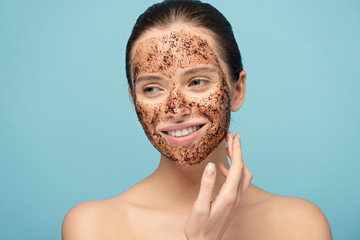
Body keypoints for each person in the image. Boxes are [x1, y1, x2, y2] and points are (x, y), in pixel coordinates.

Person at [62, 0, 332, 239]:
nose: (176, 109)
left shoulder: (301, 226)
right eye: (152, 88)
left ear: (237, 91)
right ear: (134, 101)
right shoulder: (93, 227)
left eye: (197, 81)